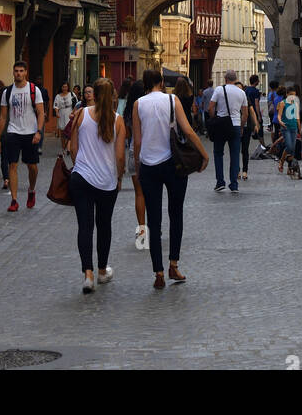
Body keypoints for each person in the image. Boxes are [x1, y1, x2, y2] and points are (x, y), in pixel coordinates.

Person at [133, 67, 208, 289]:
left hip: (148, 165)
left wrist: (138, 166)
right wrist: (203, 155)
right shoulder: (172, 100)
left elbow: (137, 141)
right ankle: (173, 264)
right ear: (162, 81)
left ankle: (158, 272)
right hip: (173, 164)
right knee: (176, 214)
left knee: (154, 220)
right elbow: (188, 131)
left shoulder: (138, 104)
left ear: (145, 84)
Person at [69, 77, 126, 293]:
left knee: (84, 226)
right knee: (104, 226)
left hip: (82, 178)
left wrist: (80, 166)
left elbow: (73, 148)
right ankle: (102, 271)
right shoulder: (117, 121)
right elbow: (120, 157)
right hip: (107, 181)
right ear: (112, 96)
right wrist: (119, 177)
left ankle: (88, 274)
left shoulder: (81, 114)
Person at [0, 60, 45, 211]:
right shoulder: (7, 92)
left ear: (25, 73)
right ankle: (14, 200)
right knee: (13, 165)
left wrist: (39, 131)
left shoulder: (33, 90)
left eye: (21, 71)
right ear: (13, 72)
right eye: (16, 71)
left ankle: (31, 190)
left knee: (32, 167)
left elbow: (41, 112)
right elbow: (3, 117)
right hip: (13, 132)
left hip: (30, 133)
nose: (18, 73)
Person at [208, 71, 248, 193]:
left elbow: (210, 107)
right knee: (235, 155)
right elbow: (245, 113)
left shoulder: (219, 90)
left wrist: (214, 118)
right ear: (236, 79)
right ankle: (234, 184)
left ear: (225, 79)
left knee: (218, 153)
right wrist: (241, 126)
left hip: (221, 124)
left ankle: (220, 182)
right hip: (235, 125)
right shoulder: (241, 92)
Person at [123, 79, 148, 250]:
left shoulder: (128, 111)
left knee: (139, 194)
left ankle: (142, 230)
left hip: (133, 153)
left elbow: (126, 135)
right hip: (151, 153)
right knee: (152, 194)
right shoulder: (148, 108)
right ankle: (155, 227)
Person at [277, 86, 301, 174]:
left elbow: (297, 117)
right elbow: (279, 115)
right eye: (290, 95)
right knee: (289, 146)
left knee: (292, 148)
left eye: (294, 95)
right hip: (285, 127)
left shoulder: (296, 104)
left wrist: (300, 129)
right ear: (287, 94)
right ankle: (281, 162)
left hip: (294, 127)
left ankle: (289, 167)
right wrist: (280, 121)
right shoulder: (282, 103)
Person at [240, 81, 260, 179]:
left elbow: (251, 111)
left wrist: (256, 124)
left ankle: (244, 171)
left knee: (244, 149)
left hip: (246, 127)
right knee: (234, 150)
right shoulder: (231, 99)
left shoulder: (245, 98)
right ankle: (236, 170)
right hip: (235, 128)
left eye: (240, 88)